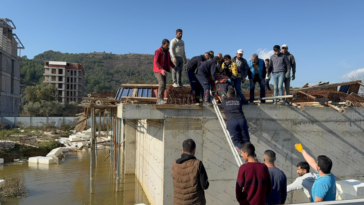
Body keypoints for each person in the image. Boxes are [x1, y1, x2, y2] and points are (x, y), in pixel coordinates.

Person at [172, 139, 209, 205]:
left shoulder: (175, 164)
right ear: (194, 151)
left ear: (182, 150)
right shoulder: (198, 164)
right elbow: (205, 185)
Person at [153, 39, 175, 104]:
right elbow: (156, 62)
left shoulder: (167, 52)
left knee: (164, 85)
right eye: (166, 45)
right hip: (158, 70)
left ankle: (161, 99)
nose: (167, 46)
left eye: (168, 45)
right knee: (161, 83)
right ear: (163, 45)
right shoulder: (158, 51)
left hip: (164, 70)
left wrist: (174, 67)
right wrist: (161, 69)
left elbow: (169, 61)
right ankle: (159, 100)